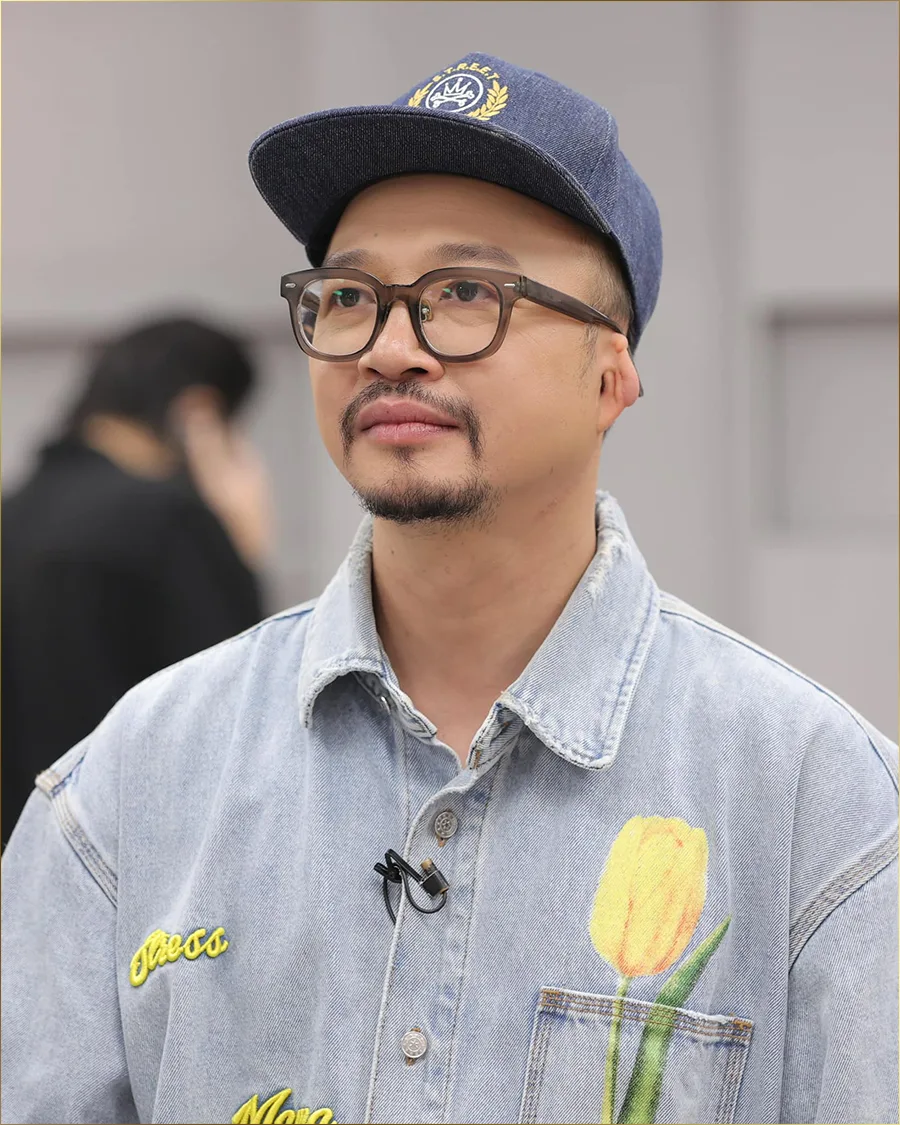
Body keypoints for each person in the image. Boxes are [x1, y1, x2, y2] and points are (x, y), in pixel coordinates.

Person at [2, 54, 896, 1125]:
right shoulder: (129, 788)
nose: (389, 348)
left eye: (465, 293)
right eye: (348, 296)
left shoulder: (816, 806)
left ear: (612, 371)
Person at [1, 316, 271, 846]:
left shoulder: (13, 511)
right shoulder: (171, 522)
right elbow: (244, 705)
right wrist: (242, 546)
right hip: (135, 859)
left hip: (23, 862)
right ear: (199, 412)